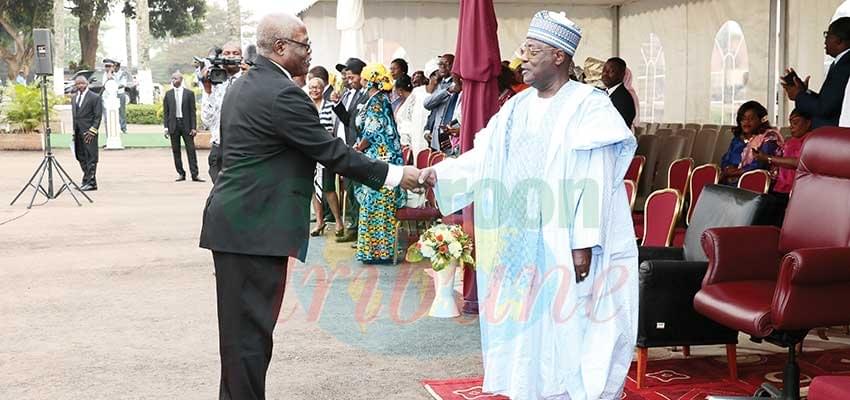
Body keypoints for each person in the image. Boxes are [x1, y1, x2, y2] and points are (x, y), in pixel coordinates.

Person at [199, 13, 421, 399]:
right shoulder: (282, 94)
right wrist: (397, 174)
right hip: (254, 229)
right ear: (281, 48)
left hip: (239, 225)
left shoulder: (244, 84)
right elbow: (332, 153)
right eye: (305, 45)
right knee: (249, 340)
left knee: (241, 339)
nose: (310, 53)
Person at [418, 10, 638, 399]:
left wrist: (583, 241)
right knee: (526, 326)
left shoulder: (588, 106)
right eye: (524, 48)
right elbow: (485, 155)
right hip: (520, 240)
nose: (522, 56)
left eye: (532, 50)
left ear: (559, 56)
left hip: (565, 237)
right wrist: (442, 173)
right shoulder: (516, 107)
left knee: (570, 324)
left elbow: (597, 178)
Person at [352, 63, 406, 263]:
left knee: (376, 204)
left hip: (380, 159)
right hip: (379, 158)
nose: (363, 82)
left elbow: (372, 130)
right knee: (374, 204)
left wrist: (357, 149)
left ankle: (378, 252)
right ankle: (376, 250)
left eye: (365, 79)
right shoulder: (378, 99)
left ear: (370, 80)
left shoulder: (376, 101)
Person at [783, 17, 850, 129]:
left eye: (827, 35)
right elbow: (830, 102)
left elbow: (824, 109)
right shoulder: (841, 62)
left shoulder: (845, 65)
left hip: (833, 137)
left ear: (838, 39)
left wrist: (798, 95)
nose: (825, 40)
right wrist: (805, 92)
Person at [332, 57, 369, 243]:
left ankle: (361, 230)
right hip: (347, 147)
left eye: (351, 76)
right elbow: (349, 121)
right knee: (350, 190)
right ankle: (354, 227)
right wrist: (338, 104)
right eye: (346, 77)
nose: (348, 80)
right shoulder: (349, 94)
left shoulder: (368, 96)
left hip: (360, 149)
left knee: (359, 190)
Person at [201, 41, 243, 183]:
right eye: (227, 53)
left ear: (242, 58)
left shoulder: (249, 80)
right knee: (218, 197)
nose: (231, 57)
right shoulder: (214, 81)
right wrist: (207, 90)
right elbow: (206, 120)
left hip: (242, 150)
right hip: (219, 150)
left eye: (235, 53)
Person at [306, 76, 343, 237]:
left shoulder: (330, 106)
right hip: (308, 152)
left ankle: (338, 221)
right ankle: (320, 222)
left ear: (323, 89)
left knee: (328, 188)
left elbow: (336, 130)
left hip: (326, 152)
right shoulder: (305, 106)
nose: (314, 90)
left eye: (317, 87)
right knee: (313, 189)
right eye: (311, 87)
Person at [720, 101, 784, 185]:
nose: (746, 122)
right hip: (731, 181)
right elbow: (726, 159)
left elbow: (759, 166)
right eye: (743, 118)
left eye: (751, 118)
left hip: (754, 184)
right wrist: (727, 168)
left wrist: (736, 172)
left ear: (761, 120)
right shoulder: (737, 140)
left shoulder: (768, 139)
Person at [756, 108, 812, 202]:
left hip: (794, 189)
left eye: (795, 123)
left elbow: (798, 162)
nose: (791, 127)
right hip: (779, 185)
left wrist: (768, 158)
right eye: (790, 123)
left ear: (808, 123)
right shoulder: (790, 140)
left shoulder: (810, 140)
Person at [162, 72, 203, 182]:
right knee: (176, 151)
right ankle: (181, 173)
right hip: (173, 125)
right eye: (172, 78)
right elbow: (166, 112)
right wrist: (166, 127)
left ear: (181, 79)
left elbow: (192, 111)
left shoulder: (189, 94)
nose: (173, 80)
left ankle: (195, 174)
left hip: (186, 126)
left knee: (191, 150)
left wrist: (194, 127)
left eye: (175, 78)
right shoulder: (168, 94)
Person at [71, 76, 103, 191]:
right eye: (77, 84)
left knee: (91, 157)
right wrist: (74, 132)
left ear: (87, 84)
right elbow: (75, 117)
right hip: (78, 132)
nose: (80, 86)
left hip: (89, 133)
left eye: (82, 83)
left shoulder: (95, 98)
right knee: (80, 156)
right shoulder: (74, 98)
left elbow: (98, 116)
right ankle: (86, 179)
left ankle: (92, 182)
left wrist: (92, 131)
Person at [423, 53, 456, 150]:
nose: (442, 67)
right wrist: (427, 129)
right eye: (440, 64)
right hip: (436, 136)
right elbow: (430, 106)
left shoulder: (458, 84)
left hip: (451, 133)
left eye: (446, 64)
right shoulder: (440, 85)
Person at [601, 57, 637, 128]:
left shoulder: (624, 99)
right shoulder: (604, 93)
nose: (605, 73)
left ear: (621, 74)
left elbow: (616, 127)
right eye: (604, 70)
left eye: (611, 71)